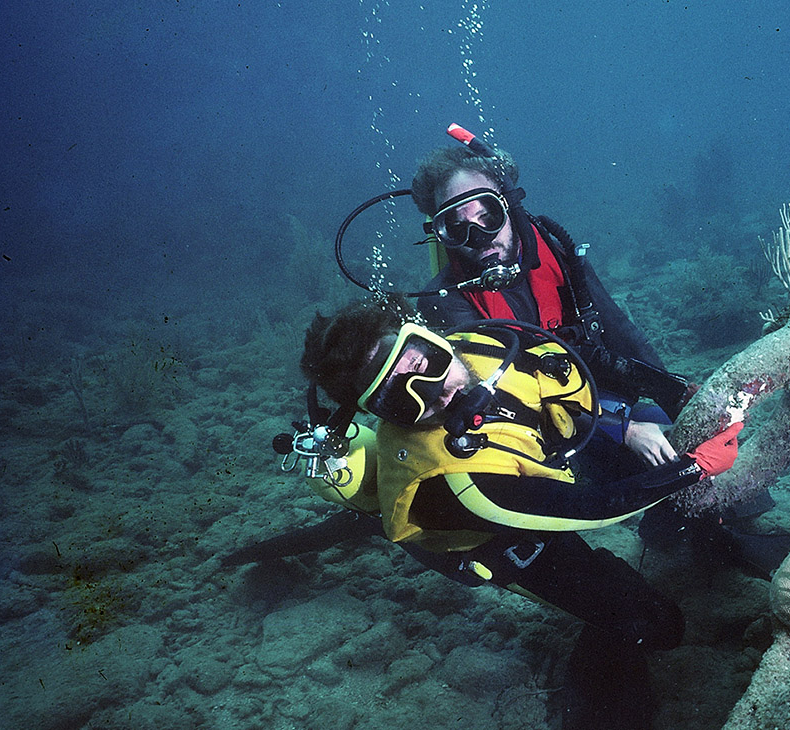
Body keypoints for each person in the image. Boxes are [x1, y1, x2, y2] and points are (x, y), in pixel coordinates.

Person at [297, 295, 744, 730]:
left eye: (421, 364)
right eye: (399, 399)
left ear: (430, 336)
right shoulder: (449, 483)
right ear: (382, 415)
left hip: (536, 480)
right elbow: (587, 510)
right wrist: (695, 466)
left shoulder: (479, 344)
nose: (438, 394)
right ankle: (369, 517)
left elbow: (572, 358)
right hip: (503, 540)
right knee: (657, 625)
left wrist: (663, 397)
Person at [407, 137, 688, 472]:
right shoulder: (444, 301)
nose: (480, 237)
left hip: (600, 401)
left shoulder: (559, 255)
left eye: (488, 215)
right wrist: (623, 430)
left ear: (509, 205)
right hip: (531, 435)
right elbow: (513, 401)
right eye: (457, 227)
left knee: (690, 435)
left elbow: (619, 331)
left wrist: (678, 398)